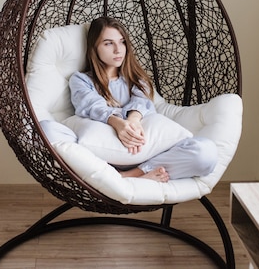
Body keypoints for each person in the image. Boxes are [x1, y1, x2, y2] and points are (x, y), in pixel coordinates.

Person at [69, 16, 218, 183]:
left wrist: (133, 120)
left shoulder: (137, 79)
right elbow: (91, 105)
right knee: (54, 133)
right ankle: (134, 175)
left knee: (206, 153)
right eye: (108, 43)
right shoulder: (81, 80)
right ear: (94, 48)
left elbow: (141, 101)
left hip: (150, 154)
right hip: (107, 157)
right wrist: (118, 124)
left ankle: (129, 175)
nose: (118, 49)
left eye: (122, 42)